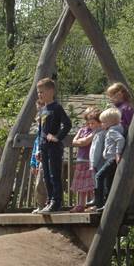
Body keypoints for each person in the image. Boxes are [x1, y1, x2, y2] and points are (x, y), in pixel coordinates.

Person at [35, 77, 72, 213]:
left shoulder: (56, 107)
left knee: (54, 174)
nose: (40, 95)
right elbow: (41, 130)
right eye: (38, 92)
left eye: (42, 92)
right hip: (44, 147)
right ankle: (50, 200)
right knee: (45, 176)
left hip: (54, 147)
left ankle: (56, 202)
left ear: (51, 91)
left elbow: (67, 124)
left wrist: (57, 137)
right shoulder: (43, 109)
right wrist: (39, 148)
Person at [88, 107, 125, 213]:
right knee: (108, 182)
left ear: (110, 122)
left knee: (98, 176)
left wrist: (118, 153)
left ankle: (99, 202)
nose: (102, 124)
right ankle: (107, 203)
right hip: (111, 159)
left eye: (103, 122)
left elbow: (120, 140)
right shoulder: (119, 128)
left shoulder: (111, 131)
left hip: (111, 159)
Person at [69, 108, 99, 213]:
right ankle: (80, 205)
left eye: (92, 122)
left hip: (90, 160)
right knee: (81, 185)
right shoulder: (82, 130)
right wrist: (80, 141)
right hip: (80, 159)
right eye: (88, 122)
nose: (89, 124)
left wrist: (81, 141)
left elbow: (85, 142)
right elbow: (74, 141)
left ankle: (92, 204)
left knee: (90, 184)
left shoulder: (97, 131)